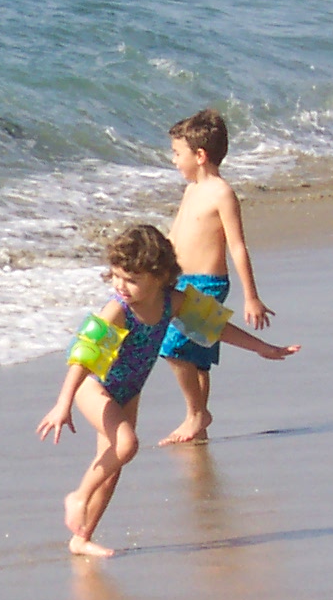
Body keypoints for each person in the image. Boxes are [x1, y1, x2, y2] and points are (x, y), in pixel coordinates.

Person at [37, 224, 297, 557]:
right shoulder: (117, 310)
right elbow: (83, 356)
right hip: (92, 384)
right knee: (127, 444)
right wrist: (63, 403)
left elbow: (215, 326)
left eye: (131, 279)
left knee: (113, 465)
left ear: (160, 276)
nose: (121, 285)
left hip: (129, 389)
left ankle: (81, 537)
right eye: (116, 275)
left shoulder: (172, 302)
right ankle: (78, 497)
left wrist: (263, 348)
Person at [157, 109, 270, 446]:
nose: (174, 160)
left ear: (200, 155)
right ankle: (199, 425)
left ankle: (196, 414)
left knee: (174, 348)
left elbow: (237, 246)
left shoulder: (221, 193)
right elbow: (176, 236)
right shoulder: (191, 190)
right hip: (179, 281)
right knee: (197, 358)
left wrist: (251, 296)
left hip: (206, 283)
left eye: (178, 153)